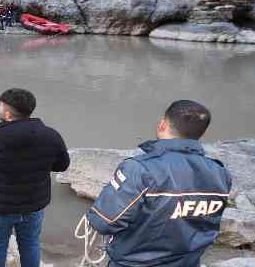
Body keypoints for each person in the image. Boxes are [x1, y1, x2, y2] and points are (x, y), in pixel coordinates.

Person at [87, 100, 232, 267]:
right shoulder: (220, 173)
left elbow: (104, 222)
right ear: (200, 133)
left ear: (162, 125)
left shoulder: (140, 169)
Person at [0, 88, 70, 267]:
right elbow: (62, 165)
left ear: (7, 113)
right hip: (33, 206)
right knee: (30, 245)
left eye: (0, 105)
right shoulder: (51, 135)